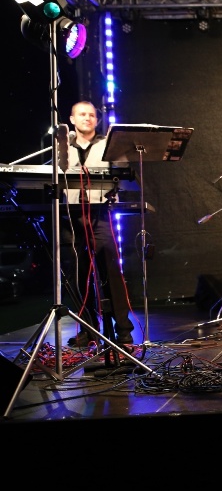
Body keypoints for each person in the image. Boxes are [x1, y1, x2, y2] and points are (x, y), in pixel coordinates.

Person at [63, 100, 136, 349]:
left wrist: (122, 156)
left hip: (100, 213)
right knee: (79, 275)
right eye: (82, 114)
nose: (87, 118)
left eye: (92, 115)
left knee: (111, 271)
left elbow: (124, 173)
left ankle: (123, 330)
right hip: (71, 215)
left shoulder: (108, 144)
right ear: (72, 119)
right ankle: (88, 329)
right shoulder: (62, 147)